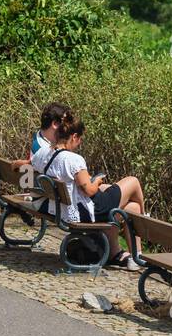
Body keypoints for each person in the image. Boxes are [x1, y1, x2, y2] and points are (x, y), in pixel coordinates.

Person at [29, 116, 146, 271]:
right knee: (133, 181)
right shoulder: (73, 159)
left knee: (132, 208)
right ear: (74, 136)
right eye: (80, 138)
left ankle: (133, 257)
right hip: (90, 210)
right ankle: (145, 219)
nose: (80, 142)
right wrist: (97, 182)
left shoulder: (43, 153)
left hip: (59, 207)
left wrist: (15, 165)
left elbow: (25, 165)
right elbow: (90, 190)